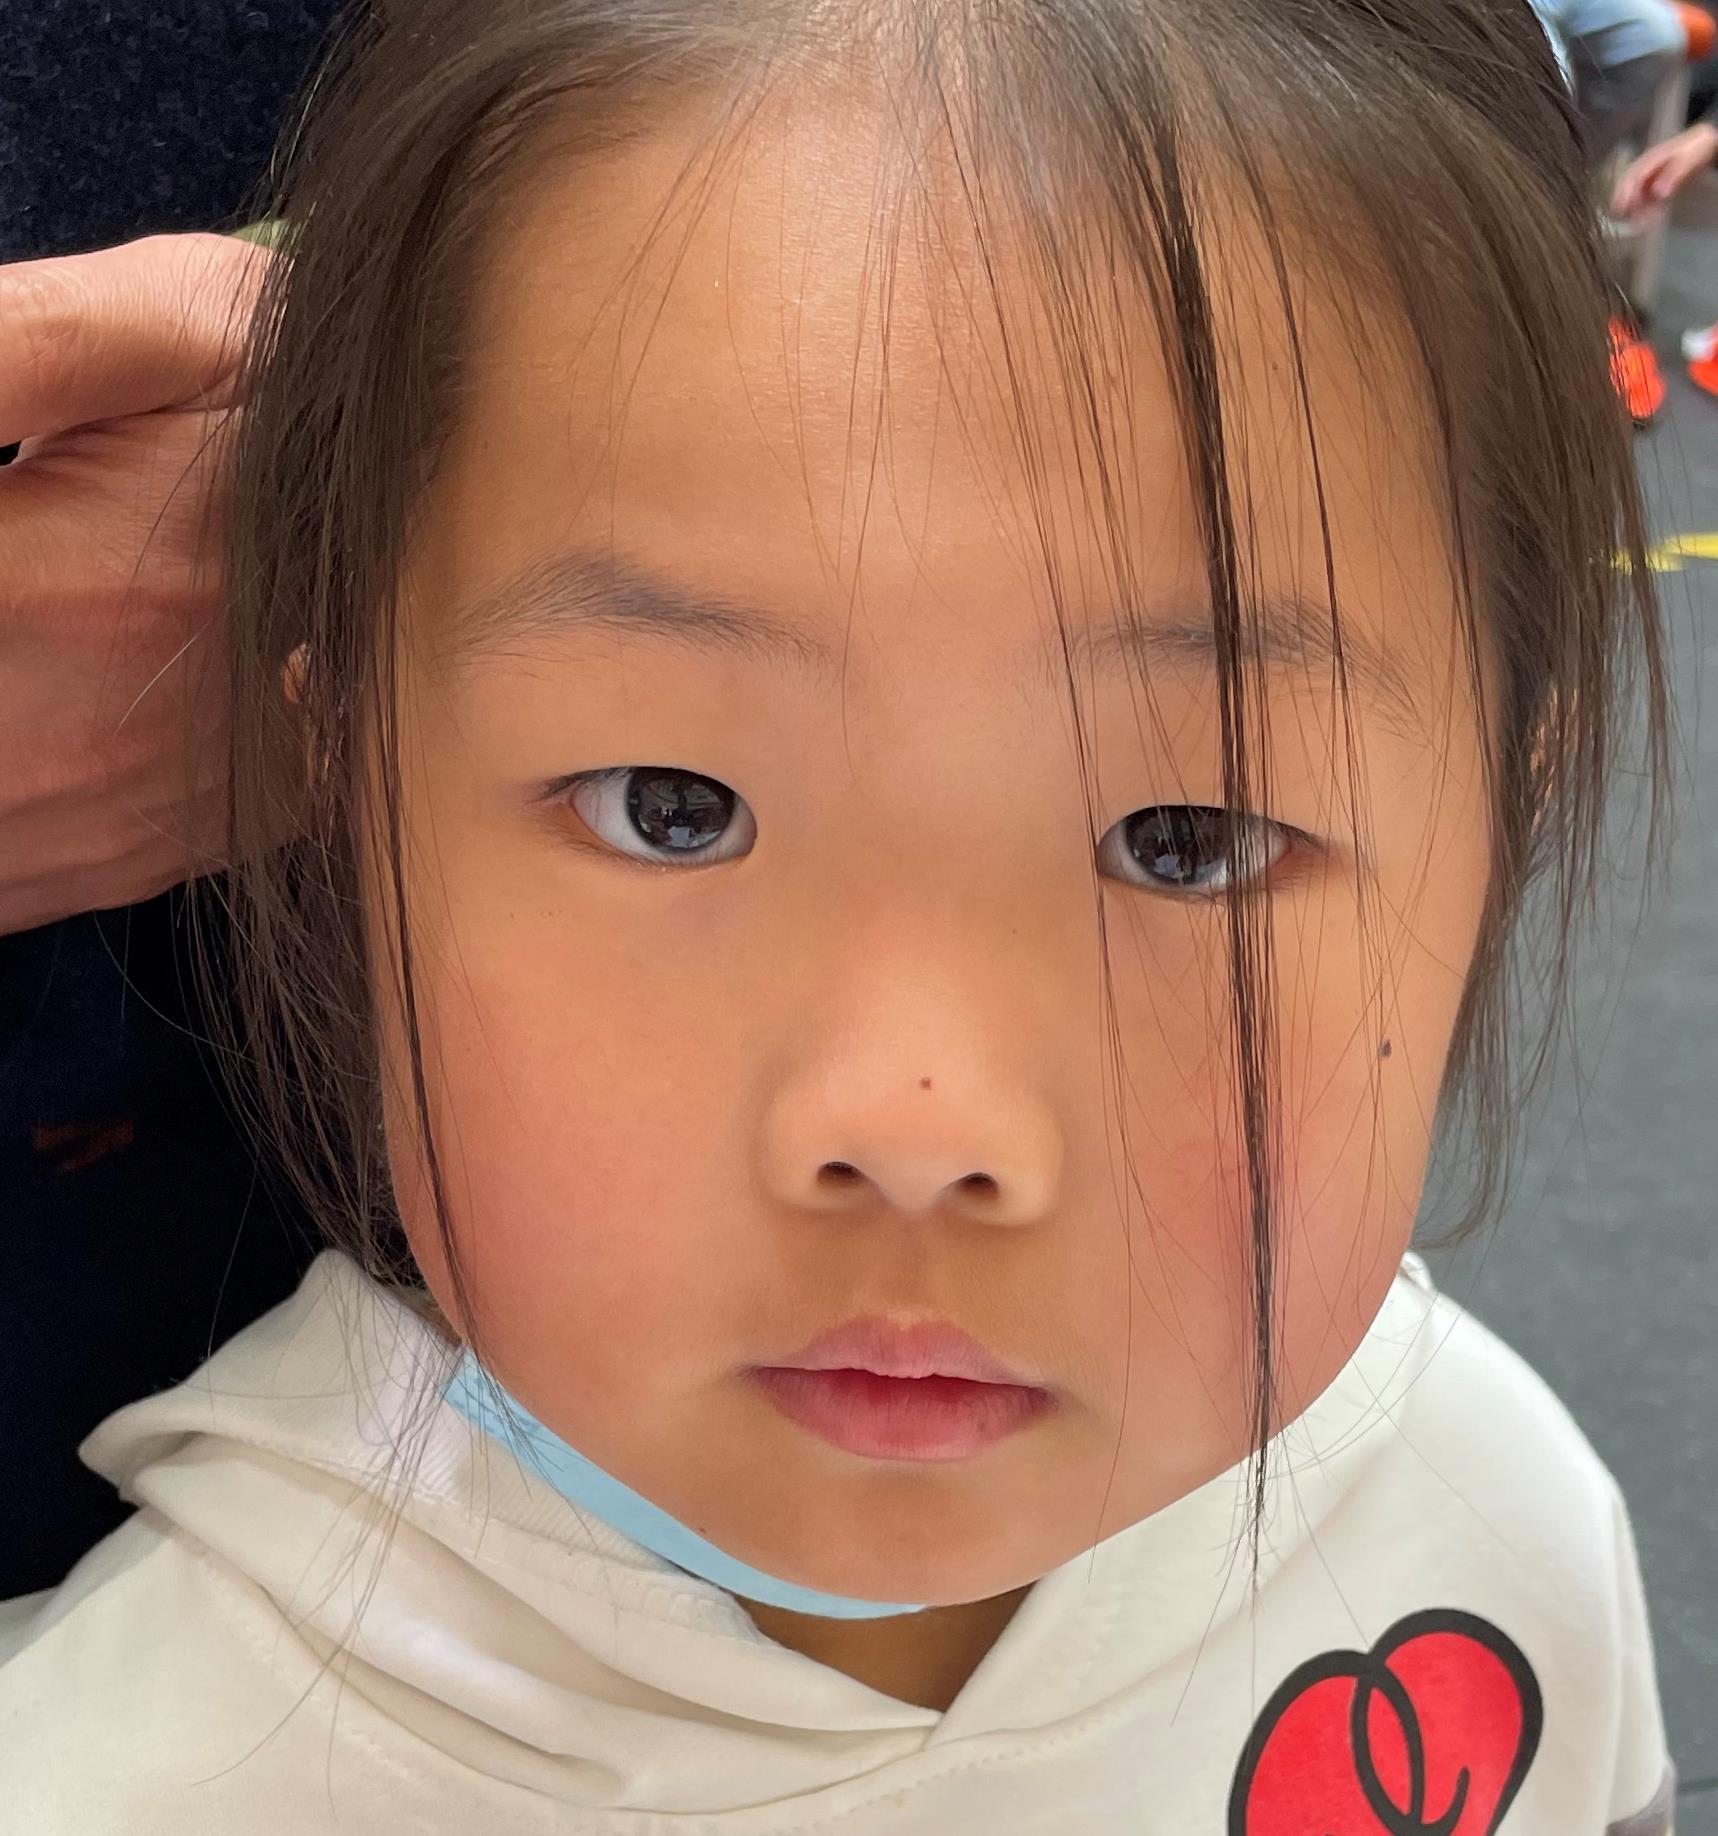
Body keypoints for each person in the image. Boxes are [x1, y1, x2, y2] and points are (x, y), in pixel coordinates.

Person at [0, 0, 1680, 1829]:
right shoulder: (131, 1769)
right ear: (348, 785)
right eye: (674, 809)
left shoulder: (1497, 1549)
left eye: (1186, 839)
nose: (913, 1131)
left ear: (1503, 814)